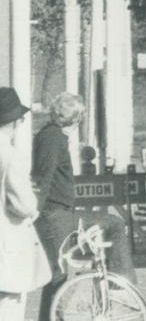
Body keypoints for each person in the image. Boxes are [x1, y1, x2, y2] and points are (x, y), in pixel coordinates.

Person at [0, 88, 49, 321]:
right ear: (14, 122)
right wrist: (33, 209)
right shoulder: (10, 155)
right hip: (6, 246)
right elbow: (23, 203)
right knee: (9, 309)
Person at [31, 93, 81, 321]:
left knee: (58, 273)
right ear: (72, 118)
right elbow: (44, 177)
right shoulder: (52, 138)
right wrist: (36, 211)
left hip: (56, 210)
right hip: (53, 212)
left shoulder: (52, 136)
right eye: (78, 117)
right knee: (59, 273)